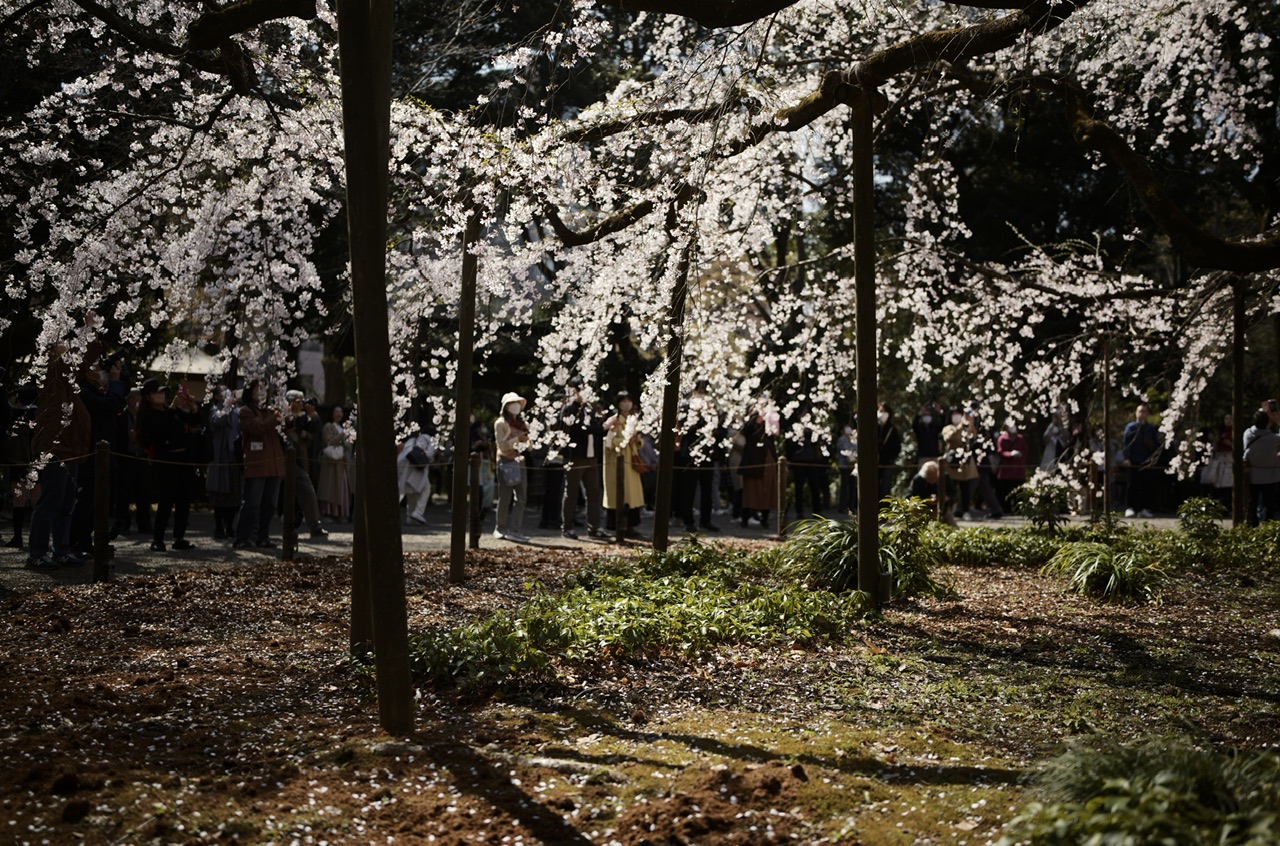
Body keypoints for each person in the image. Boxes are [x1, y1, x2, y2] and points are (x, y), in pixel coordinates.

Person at [27, 343, 92, 570]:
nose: (68, 349)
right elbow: (65, 365)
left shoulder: (68, 383)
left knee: (66, 504)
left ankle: (62, 549)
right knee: (50, 502)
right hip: (55, 449)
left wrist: (91, 332)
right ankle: (37, 552)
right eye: (61, 347)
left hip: (70, 449)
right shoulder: (50, 375)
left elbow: (82, 363)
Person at [69, 343, 127, 555]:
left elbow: (117, 400)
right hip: (90, 455)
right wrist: (115, 382)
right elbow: (110, 405)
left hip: (104, 456)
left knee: (97, 503)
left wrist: (117, 375)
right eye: (96, 367)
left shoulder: (98, 391)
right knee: (87, 501)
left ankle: (85, 541)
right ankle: (73, 541)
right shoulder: (82, 391)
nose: (101, 371)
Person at [135, 379, 200, 552]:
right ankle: (158, 538)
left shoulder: (170, 411)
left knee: (183, 499)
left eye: (162, 392)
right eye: (157, 393)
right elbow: (160, 430)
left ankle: (179, 537)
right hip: (166, 460)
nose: (161, 395)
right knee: (165, 500)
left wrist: (193, 408)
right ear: (148, 397)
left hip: (183, 459)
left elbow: (193, 422)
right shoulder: (149, 415)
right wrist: (172, 408)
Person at [234, 380, 285, 549]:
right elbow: (258, 428)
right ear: (250, 391)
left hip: (274, 464)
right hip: (257, 464)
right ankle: (242, 538)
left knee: (270, 505)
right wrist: (275, 417)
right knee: (251, 503)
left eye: (264, 389)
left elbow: (285, 429)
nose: (262, 392)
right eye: (258, 389)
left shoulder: (269, 411)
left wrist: (289, 415)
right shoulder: (245, 411)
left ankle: (263, 537)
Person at [558, 376, 606, 540]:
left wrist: (603, 426)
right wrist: (601, 427)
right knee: (571, 493)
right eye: (580, 389)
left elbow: (596, 429)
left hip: (591, 457)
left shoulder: (588, 409)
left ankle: (594, 527)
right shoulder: (569, 409)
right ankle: (567, 527)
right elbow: (579, 430)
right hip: (575, 457)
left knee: (594, 493)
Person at [283, 390, 328, 539]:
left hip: (299, 460)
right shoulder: (282, 415)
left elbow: (315, 429)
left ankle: (314, 526)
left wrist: (312, 414)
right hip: (281, 459)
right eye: (298, 401)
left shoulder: (305, 417)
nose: (302, 404)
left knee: (307, 490)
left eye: (303, 401)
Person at [602, 390, 645, 537]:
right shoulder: (614, 420)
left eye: (629, 401)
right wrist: (624, 440)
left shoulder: (633, 420)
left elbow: (640, 441)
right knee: (619, 493)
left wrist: (637, 440)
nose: (627, 404)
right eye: (623, 401)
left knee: (631, 495)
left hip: (631, 460)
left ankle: (630, 525)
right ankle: (617, 525)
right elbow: (608, 442)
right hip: (617, 460)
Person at [113, 388, 152, 536]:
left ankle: (144, 524)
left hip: (141, 456)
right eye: (137, 398)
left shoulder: (143, 417)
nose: (139, 402)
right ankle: (123, 523)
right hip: (127, 457)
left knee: (144, 492)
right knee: (124, 492)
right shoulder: (122, 416)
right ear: (130, 400)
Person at [493, 392, 530, 542]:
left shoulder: (523, 424)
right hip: (505, 461)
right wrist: (517, 439)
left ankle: (516, 529)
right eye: (512, 403)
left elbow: (530, 447)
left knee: (521, 497)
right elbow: (502, 446)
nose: (515, 406)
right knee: (505, 496)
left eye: (517, 403)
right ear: (505, 406)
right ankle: (500, 527)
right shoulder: (500, 423)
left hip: (520, 462)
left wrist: (527, 440)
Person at [206, 386, 242, 539]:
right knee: (220, 493)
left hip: (235, 456)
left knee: (234, 493)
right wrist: (227, 406)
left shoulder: (236, 411)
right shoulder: (215, 410)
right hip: (221, 456)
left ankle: (230, 527)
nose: (227, 393)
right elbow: (217, 421)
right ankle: (219, 527)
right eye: (223, 392)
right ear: (216, 396)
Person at [739, 404, 778, 529]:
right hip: (752, 460)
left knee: (767, 490)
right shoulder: (750, 424)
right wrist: (756, 419)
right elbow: (746, 431)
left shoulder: (770, 420)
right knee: (751, 492)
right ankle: (745, 518)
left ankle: (765, 519)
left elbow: (775, 432)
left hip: (768, 458)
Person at [1121, 403, 1162, 518]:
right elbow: (1125, 443)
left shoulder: (1151, 428)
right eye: (1140, 411)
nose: (1141, 414)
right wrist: (1126, 458)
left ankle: (1143, 508)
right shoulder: (1131, 427)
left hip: (1146, 460)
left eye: (1144, 411)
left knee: (1146, 485)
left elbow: (1156, 445)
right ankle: (1130, 507)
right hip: (1133, 459)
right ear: (1136, 413)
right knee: (1132, 484)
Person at [786, 408, 826, 521]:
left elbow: (819, 442)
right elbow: (790, 445)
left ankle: (817, 511)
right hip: (799, 460)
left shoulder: (813, 428)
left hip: (812, 460)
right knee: (799, 487)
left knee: (815, 486)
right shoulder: (792, 428)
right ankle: (799, 511)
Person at [1243, 408, 1280, 526]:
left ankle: (1251, 524)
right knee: (1269, 503)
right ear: (1267, 422)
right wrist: (1278, 421)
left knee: (1252, 501)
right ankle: (1268, 526)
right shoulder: (1273, 439)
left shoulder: (1247, 434)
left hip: (1252, 473)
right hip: (1270, 475)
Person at [941, 406, 979, 519]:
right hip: (952, 462)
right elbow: (950, 437)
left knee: (965, 489)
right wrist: (961, 425)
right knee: (950, 489)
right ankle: (947, 511)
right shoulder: (948, 428)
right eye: (954, 414)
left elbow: (974, 436)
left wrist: (970, 424)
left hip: (964, 462)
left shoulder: (966, 427)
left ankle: (965, 511)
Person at [397, 423, 436, 526]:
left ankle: (410, 515)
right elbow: (430, 454)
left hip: (407, 468)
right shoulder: (430, 440)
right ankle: (418, 512)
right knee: (426, 489)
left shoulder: (412, 440)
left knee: (410, 491)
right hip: (419, 469)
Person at [318, 405, 351, 521]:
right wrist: (342, 436)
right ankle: (328, 513)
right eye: (336, 411)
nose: (339, 414)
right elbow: (329, 441)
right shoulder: (328, 426)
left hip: (341, 462)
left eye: (341, 412)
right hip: (331, 463)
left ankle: (340, 514)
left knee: (341, 487)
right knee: (330, 487)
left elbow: (348, 445)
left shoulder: (342, 428)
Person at [995, 419, 1029, 512]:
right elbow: (1000, 452)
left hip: (1018, 469)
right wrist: (1010, 454)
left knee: (1019, 491)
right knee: (1005, 491)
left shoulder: (1020, 438)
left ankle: (1019, 509)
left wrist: (1021, 454)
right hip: (1006, 470)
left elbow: (1025, 450)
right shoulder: (1002, 438)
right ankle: (1006, 509)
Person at [908, 461, 955, 526]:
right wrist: (925, 501)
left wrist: (945, 498)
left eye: (934, 477)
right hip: (923, 507)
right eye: (930, 477)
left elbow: (952, 492)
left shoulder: (944, 477)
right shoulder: (918, 480)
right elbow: (910, 496)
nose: (932, 479)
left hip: (942, 507)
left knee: (952, 525)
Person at [877, 402, 902, 500]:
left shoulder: (892, 429)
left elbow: (897, 447)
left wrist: (890, 458)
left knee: (885, 488)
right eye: (880, 411)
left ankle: (884, 507)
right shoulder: (873, 427)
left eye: (884, 411)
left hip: (887, 463)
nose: (882, 413)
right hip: (874, 463)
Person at [911, 402, 943, 466]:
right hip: (923, 457)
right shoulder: (919, 428)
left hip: (934, 456)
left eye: (928, 415)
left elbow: (943, 425)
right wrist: (920, 413)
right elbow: (914, 425)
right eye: (925, 415)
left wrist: (940, 412)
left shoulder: (934, 428)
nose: (927, 417)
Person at [834, 421, 856, 514]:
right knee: (844, 486)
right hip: (844, 465)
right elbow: (844, 450)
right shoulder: (841, 439)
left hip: (853, 465)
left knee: (852, 486)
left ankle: (851, 506)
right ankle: (842, 506)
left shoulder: (854, 439)